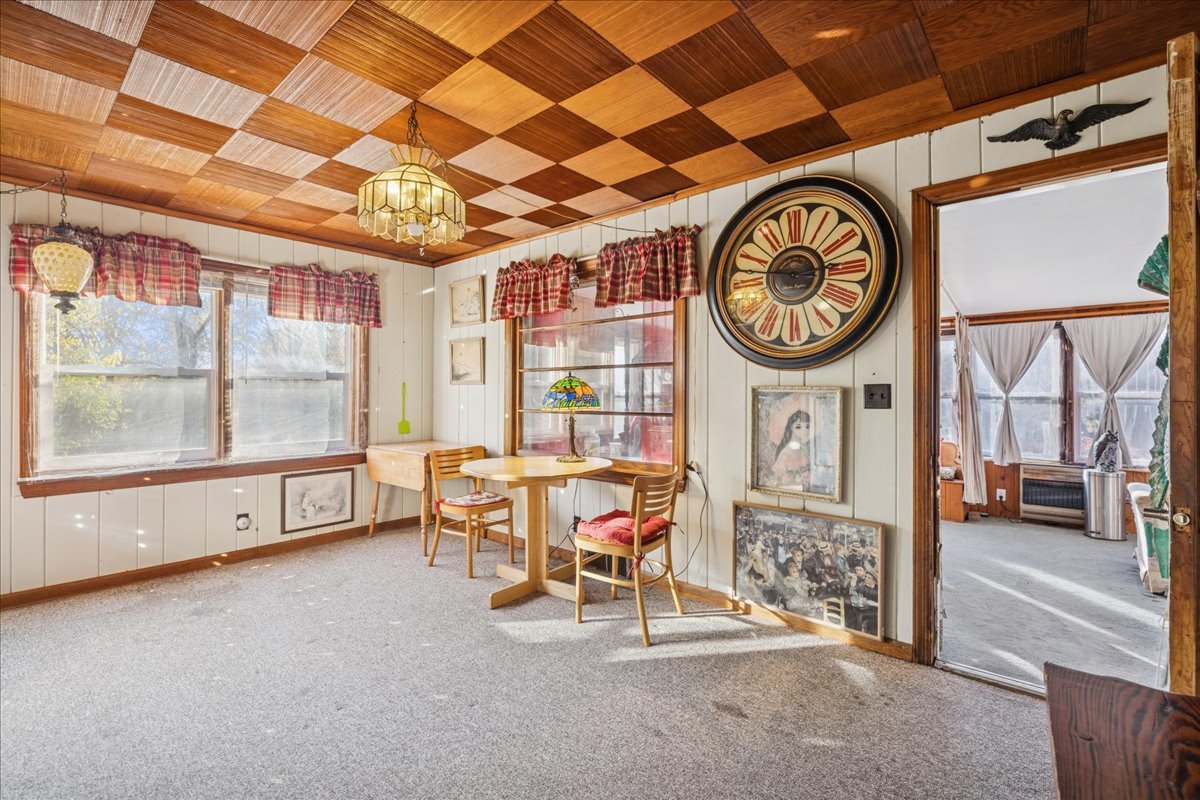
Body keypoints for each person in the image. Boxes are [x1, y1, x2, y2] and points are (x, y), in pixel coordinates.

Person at [770, 409, 812, 489]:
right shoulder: (785, 455)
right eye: (798, 427)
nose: (805, 430)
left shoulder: (802, 449)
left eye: (807, 426)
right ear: (791, 428)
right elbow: (778, 482)